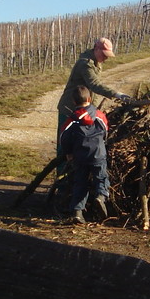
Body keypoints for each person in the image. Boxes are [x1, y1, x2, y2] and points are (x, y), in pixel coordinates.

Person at [57, 37, 130, 140]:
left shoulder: (96, 63)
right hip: (70, 108)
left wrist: (94, 108)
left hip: (82, 109)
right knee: (65, 140)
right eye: (104, 54)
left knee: (79, 141)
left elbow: (92, 91)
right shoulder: (85, 64)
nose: (106, 58)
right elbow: (94, 84)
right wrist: (116, 94)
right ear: (96, 49)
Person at [58, 85, 110, 224]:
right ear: (90, 98)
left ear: (74, 102)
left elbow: (64, 136)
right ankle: (101, 196)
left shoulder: (72, 119)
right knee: (101, 177)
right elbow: (105, 129)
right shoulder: (99, 115)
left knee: (80, 183)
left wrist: (68, 152)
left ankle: (77, 212)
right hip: (98, 153)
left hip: (80, 156)